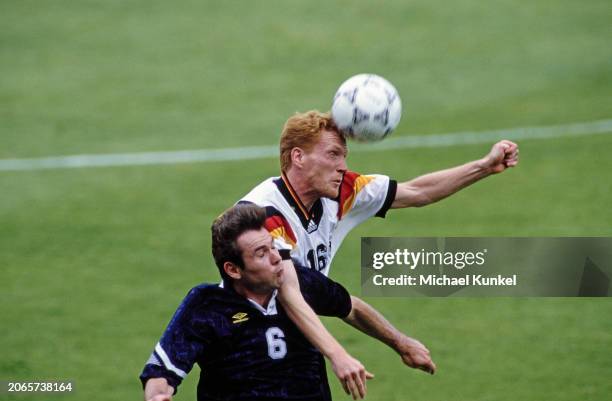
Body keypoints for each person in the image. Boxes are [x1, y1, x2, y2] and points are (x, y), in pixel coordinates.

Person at [238, 110, 519, 381]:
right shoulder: (263, 213)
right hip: (250, 348)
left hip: (303, 346)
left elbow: (418, 192)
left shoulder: (341, 191)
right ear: (298, 157)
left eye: (344, 156)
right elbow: (291, 294)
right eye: (333, 154)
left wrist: (484, 166)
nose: (343, 166)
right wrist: (340, 355)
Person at [140, 204, 378, 401]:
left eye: (273, 246)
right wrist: (157, 396)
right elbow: (160, 372)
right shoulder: (207, 305)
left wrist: (405, 345)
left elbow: (351, 308)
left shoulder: (300, 281)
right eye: (261, 253)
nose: (277, 258)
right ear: (233, 270)